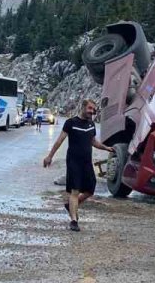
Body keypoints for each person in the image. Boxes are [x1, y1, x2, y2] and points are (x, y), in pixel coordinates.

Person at [43, 99, 114, 231]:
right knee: (75, 190)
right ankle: (74, 221)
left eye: (93, 109)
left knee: (90, 189)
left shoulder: (91, 124)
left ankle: (70, 205)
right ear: (83, 107)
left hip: (86, 162)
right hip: (73, 162)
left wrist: (106, 148)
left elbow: (93, 141)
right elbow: (59, 141)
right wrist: (50, 156)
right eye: (90, 108)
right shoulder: (71, 123)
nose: (92, 111)